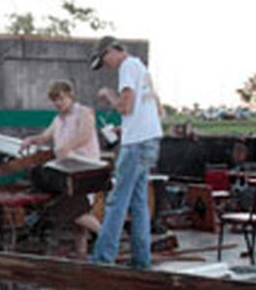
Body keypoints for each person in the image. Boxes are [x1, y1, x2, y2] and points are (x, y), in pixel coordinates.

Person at [87, 36, 164, 269]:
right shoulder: (142, 68)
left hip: (137, 144)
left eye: (104, 59)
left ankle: (102, 260)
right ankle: (141, 261)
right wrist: (125, 128)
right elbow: (156, 110)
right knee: (139, 204)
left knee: (116, 202)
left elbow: (125, 106)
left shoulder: (127, 67)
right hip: (150, 140)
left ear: (112, 50)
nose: (107, 65)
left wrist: (108, 95)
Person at [20, 80, 104, 256]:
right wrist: (31, 139)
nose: (58, 103)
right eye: (55, 100)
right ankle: (82, 254)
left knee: (73, 211)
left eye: (61, 99)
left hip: (85, 171)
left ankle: (107, 237)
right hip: (67, 172)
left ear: (70, 96)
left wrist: (67, 146)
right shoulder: (58, 119)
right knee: (77, 217)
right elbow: (45, 136)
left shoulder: (84, 112)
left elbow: (85, 133)